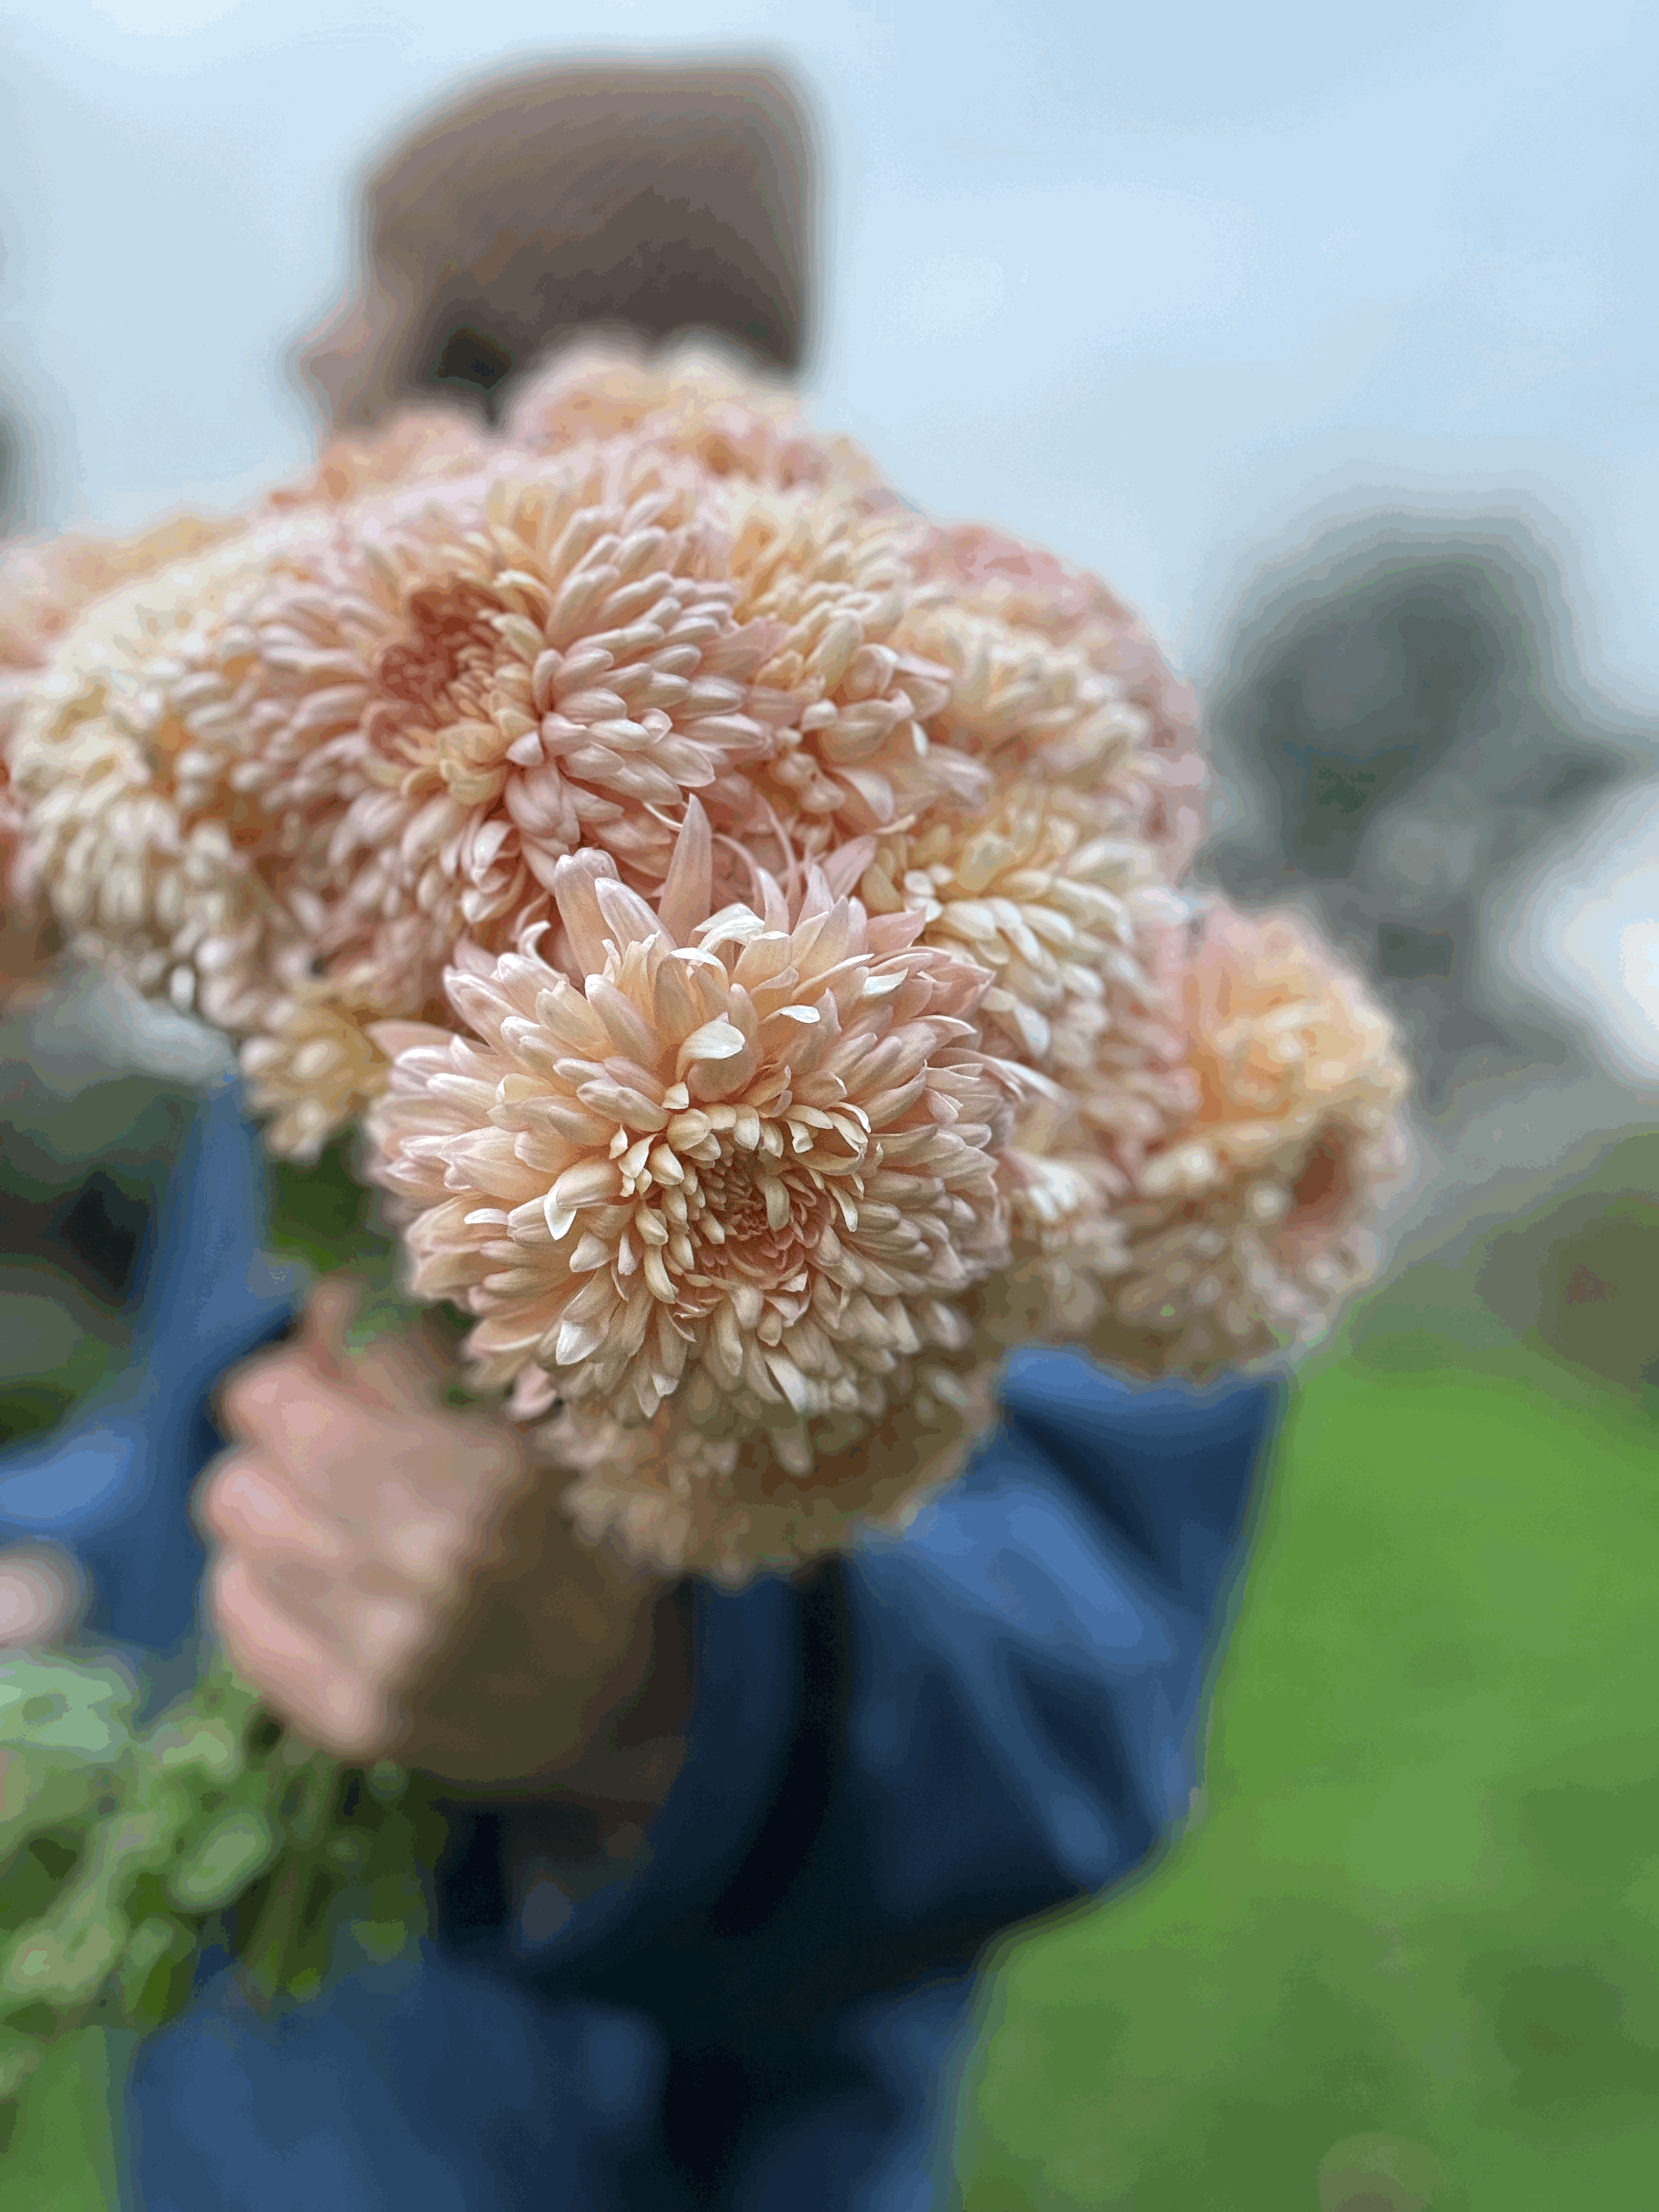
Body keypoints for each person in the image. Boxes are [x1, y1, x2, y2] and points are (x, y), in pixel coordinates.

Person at [4, 57, 1286, 2208]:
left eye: (376, 276)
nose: (314, 345)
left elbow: (1083, 1665)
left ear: (514, 329)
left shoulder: (951, 898)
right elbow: (259, 1424)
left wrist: (650, 1691)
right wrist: (57, 1537)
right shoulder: (379, 874)